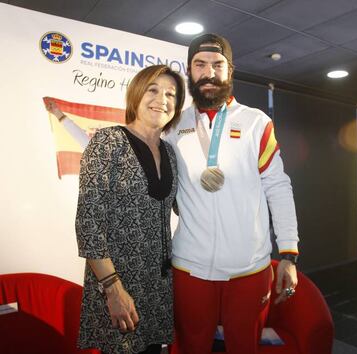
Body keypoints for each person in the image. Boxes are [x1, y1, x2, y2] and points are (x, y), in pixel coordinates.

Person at [163, 34, 299, 354]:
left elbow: (278, 187)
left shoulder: (256, 122)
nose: (209, 73)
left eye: (217, 65)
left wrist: (289, 254)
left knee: (243, 347)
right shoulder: (172, 125)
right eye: (200, 64)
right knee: (191, 346)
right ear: (189, 71)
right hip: (189, 266)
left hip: (248, 268)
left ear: (230, 71)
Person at [75, 64, 185, 354]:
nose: (162, 100)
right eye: (153, 90)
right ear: (136, 94)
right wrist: (113, 289)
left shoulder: (171, 153)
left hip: (158, 285)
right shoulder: (108, 141)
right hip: (118, 283)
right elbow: (88, 222)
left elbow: (187, 208)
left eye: (171, 94)